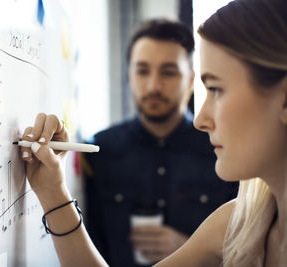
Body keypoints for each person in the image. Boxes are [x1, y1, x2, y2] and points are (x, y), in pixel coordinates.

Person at [19, 0, 287, 266]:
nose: (201, 120)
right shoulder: (239, 227)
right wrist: (53, 191)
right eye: (142, 70)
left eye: (216, 89)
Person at [81, 19, 237, 266]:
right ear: (129, 76)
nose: (153, 86)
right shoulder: (99, 150)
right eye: (142, 71)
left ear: (189, 81)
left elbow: (247, 248)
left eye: (168, 72)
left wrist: (192, 250)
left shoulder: (223, 151)